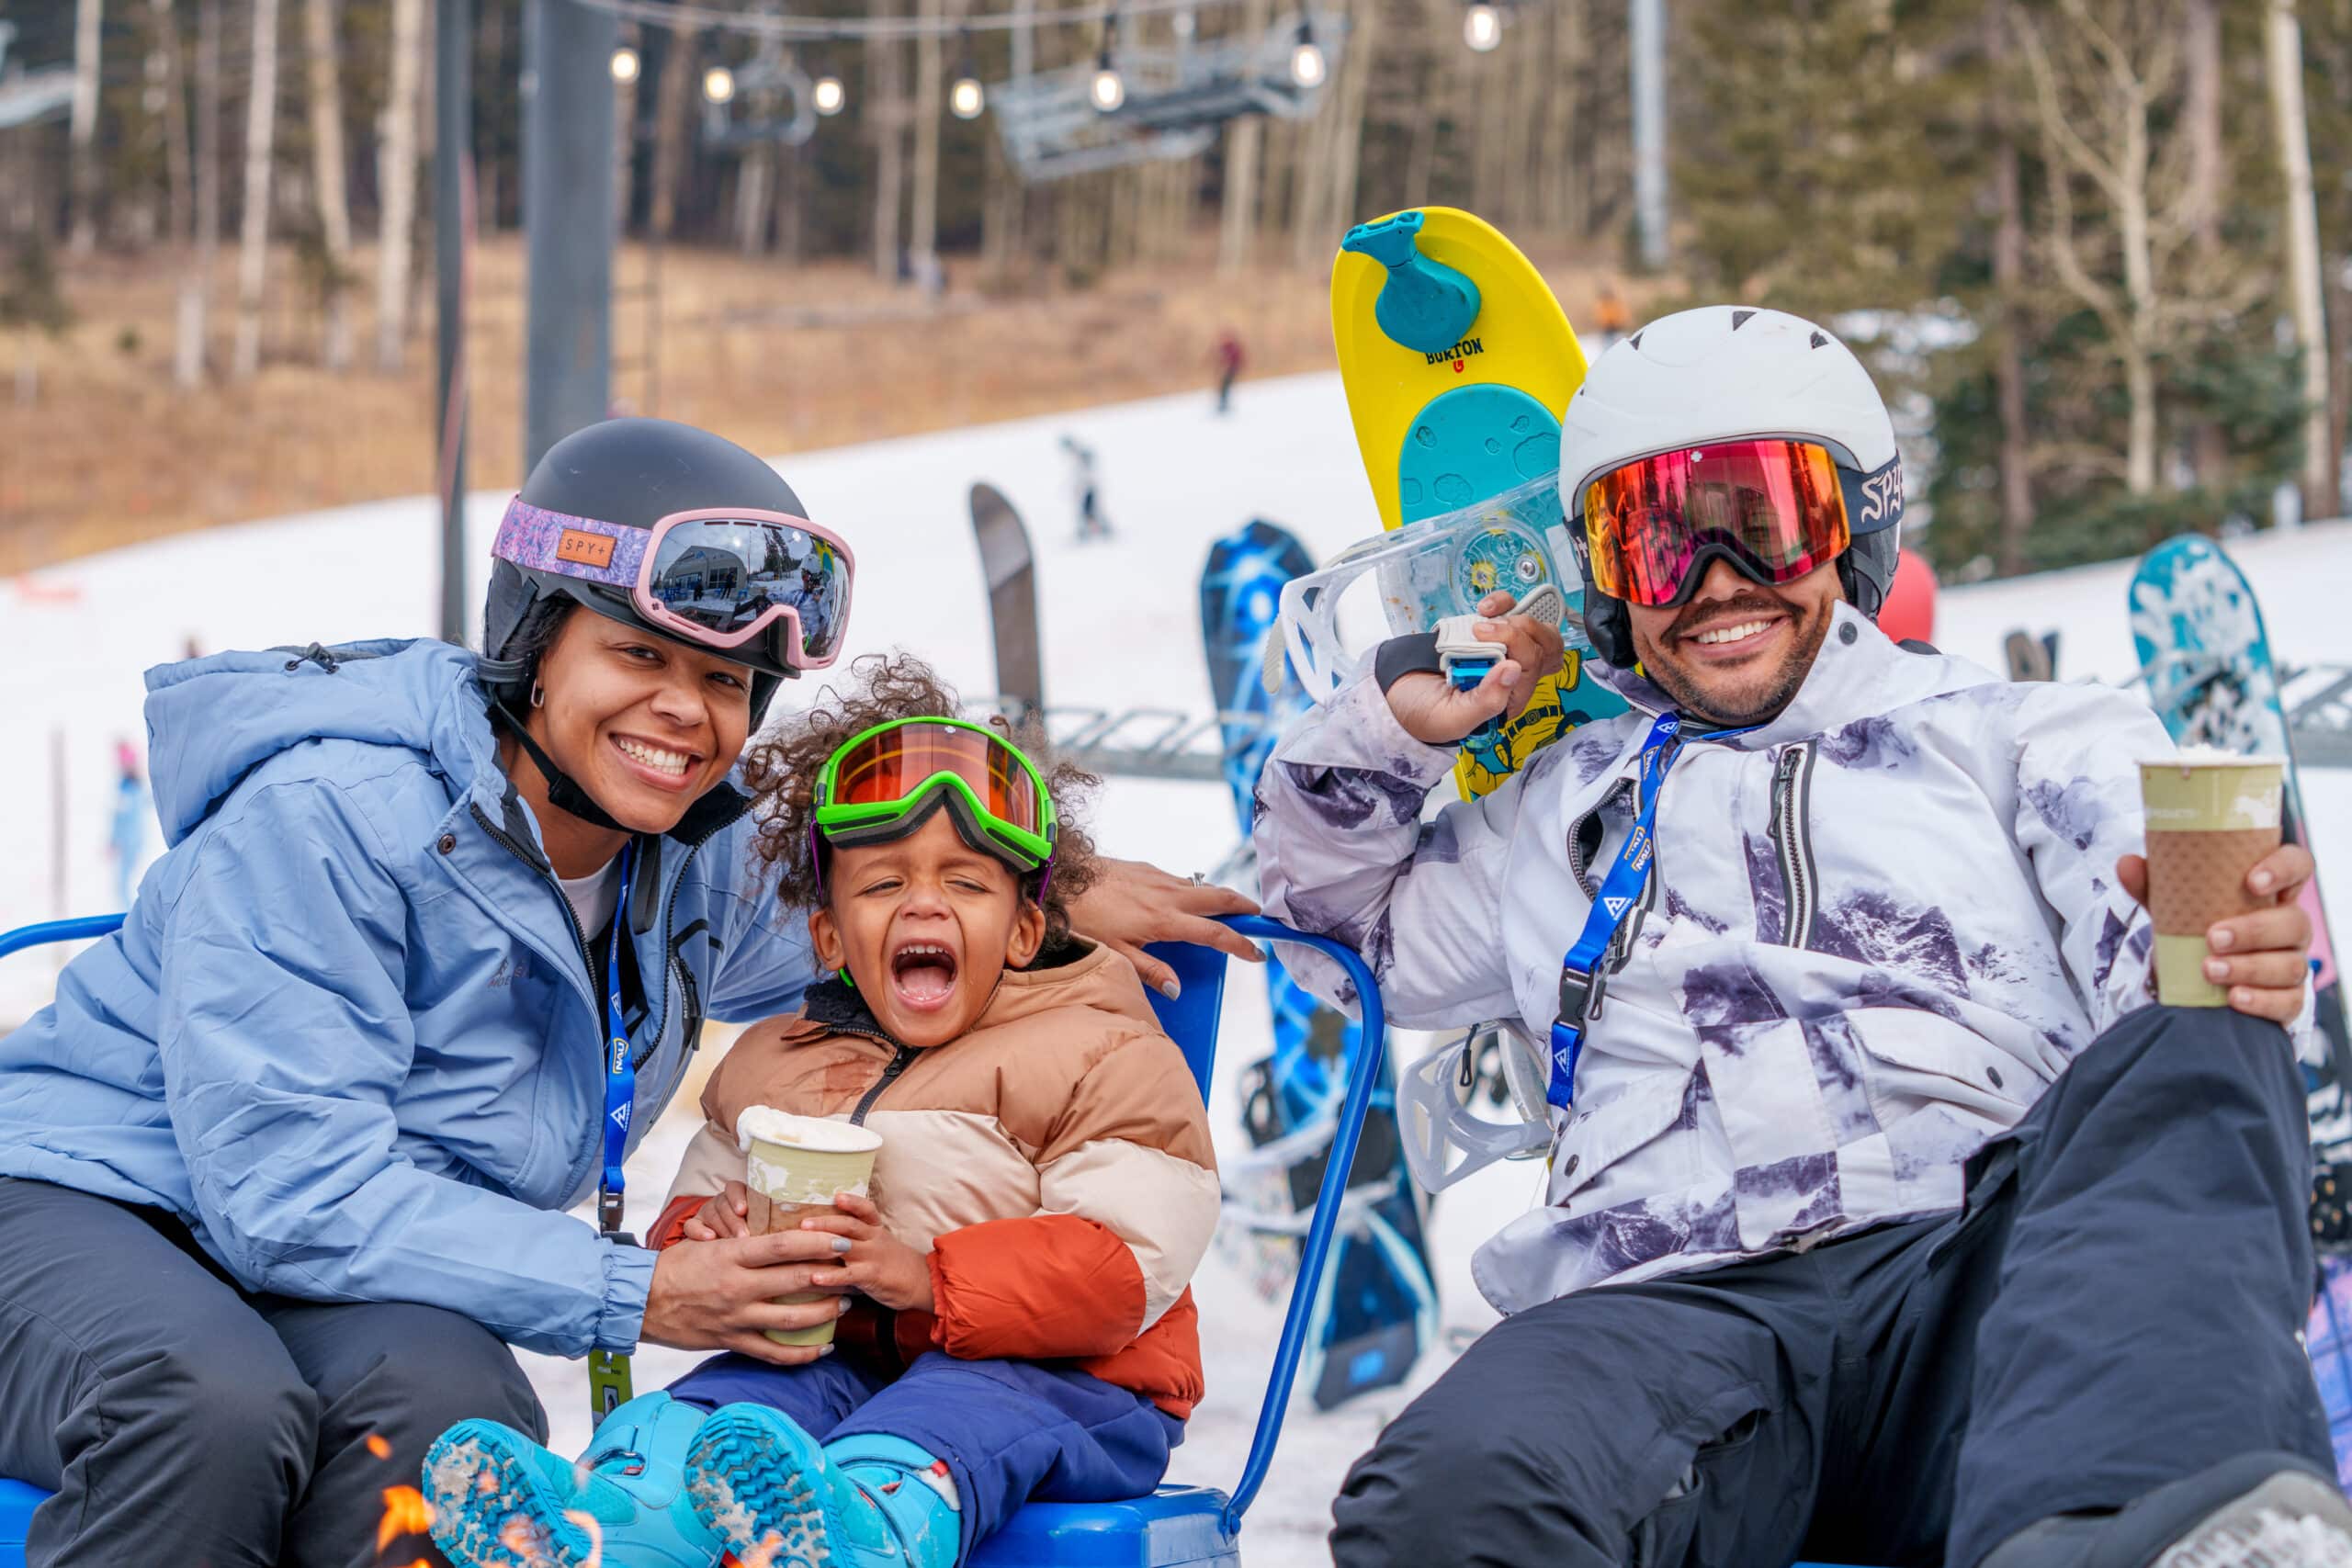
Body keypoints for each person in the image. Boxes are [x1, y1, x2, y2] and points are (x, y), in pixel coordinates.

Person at [0, 418, 1254, 1568]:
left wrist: (1059, 885)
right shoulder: (326, 816)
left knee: (454, 1430)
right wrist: (641, 1291)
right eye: (637, 653)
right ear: (534, 646)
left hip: (323, 1268)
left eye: (723, 682)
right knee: (209, 1405)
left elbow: (881, 897)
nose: (682, 710)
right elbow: (286, 1187)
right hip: (86, 1203)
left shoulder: (688, 860)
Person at [1252, 309, 2339, 1568]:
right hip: (1671, 1311)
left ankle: (2129, 1533)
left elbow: (2167, 941)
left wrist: (2224, 960)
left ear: (1855, 524)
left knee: (2202, 1031)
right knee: (1445, 1495)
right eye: (1657, 539)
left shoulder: (2019, 734)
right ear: (1607, 581)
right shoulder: (1555, 813)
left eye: (1763, 519)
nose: (1717, 578)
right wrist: (1396, 726)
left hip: (1996, 1279)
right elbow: (1335, 934)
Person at [422, 654, 1218, 1568]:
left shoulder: (1102, 1049)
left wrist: (924, 1277)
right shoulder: (777, 1060)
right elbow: (695, 1211)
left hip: (1069, 1381)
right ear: (832, 937)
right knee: (723, 1409)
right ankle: (598, 1529)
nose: (924, 901)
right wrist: (709, 1239)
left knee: (946, 1413)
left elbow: (1123, 1268)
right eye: (883, 887)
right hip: (843, 1362)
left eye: (965, 884)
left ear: (1025, 929)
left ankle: (852, 1541)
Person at [1060, 434, 1111, 543]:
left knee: (1090, 511)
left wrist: (1083, 486)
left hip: (1088, 489)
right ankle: (1090, 530)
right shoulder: (1077, 457)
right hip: (1085, 490)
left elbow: (1086, 475)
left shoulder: (1081, 455)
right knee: (1088, 512)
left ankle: (1100, 529)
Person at [1213, 328, 1246, 414]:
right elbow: (1220, 360)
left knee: (1225, 386)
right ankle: (1223, 403)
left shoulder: (1232, 348)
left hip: (1232, 370)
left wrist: (1234, 368)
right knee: (1223, 386)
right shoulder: (1225, 348)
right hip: (1227, 371)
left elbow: (1237, 359)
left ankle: (1224, 404)